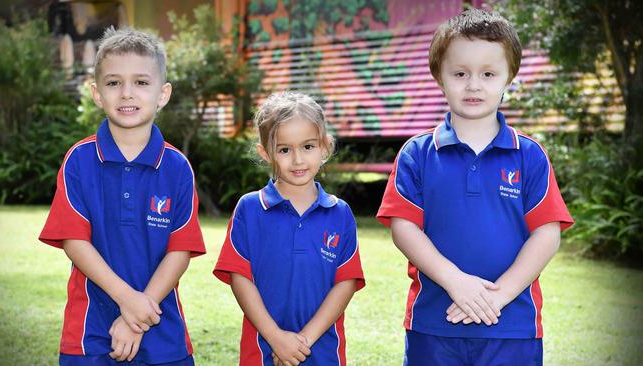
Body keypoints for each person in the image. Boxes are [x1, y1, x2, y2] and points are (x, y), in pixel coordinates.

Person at [377, 8, 574, 366]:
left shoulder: (529, 155)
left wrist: (498, 297)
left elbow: (546, 234)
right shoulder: (417, 154)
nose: (473, 84)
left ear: (508, 77)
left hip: (512, 325)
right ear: (439, 76)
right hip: (435, 322)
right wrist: (456, 282)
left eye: (488, 74)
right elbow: (404, 227)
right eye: (460, 73)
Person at [39, 27, 205, 366]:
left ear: (163, 93)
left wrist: (139, 311)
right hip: (90, 331)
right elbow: (74, 241)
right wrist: (128, 300)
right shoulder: (79, 160)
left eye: (142, 82)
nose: (127, 93)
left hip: (162, 331)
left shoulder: (177, 167)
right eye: (114, 83)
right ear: (97, 93)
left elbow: (180, 250)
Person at [213, 91, 365, 366]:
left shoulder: (339, 213)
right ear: (265, 152)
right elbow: (239, 278)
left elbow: (346, 283)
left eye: (308, 146)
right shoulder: (249, 208)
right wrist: (276, 337)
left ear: (325, 147)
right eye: (284, 149)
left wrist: (304, 340)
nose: (297, 159)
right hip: (263, 352)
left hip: (322, 351)